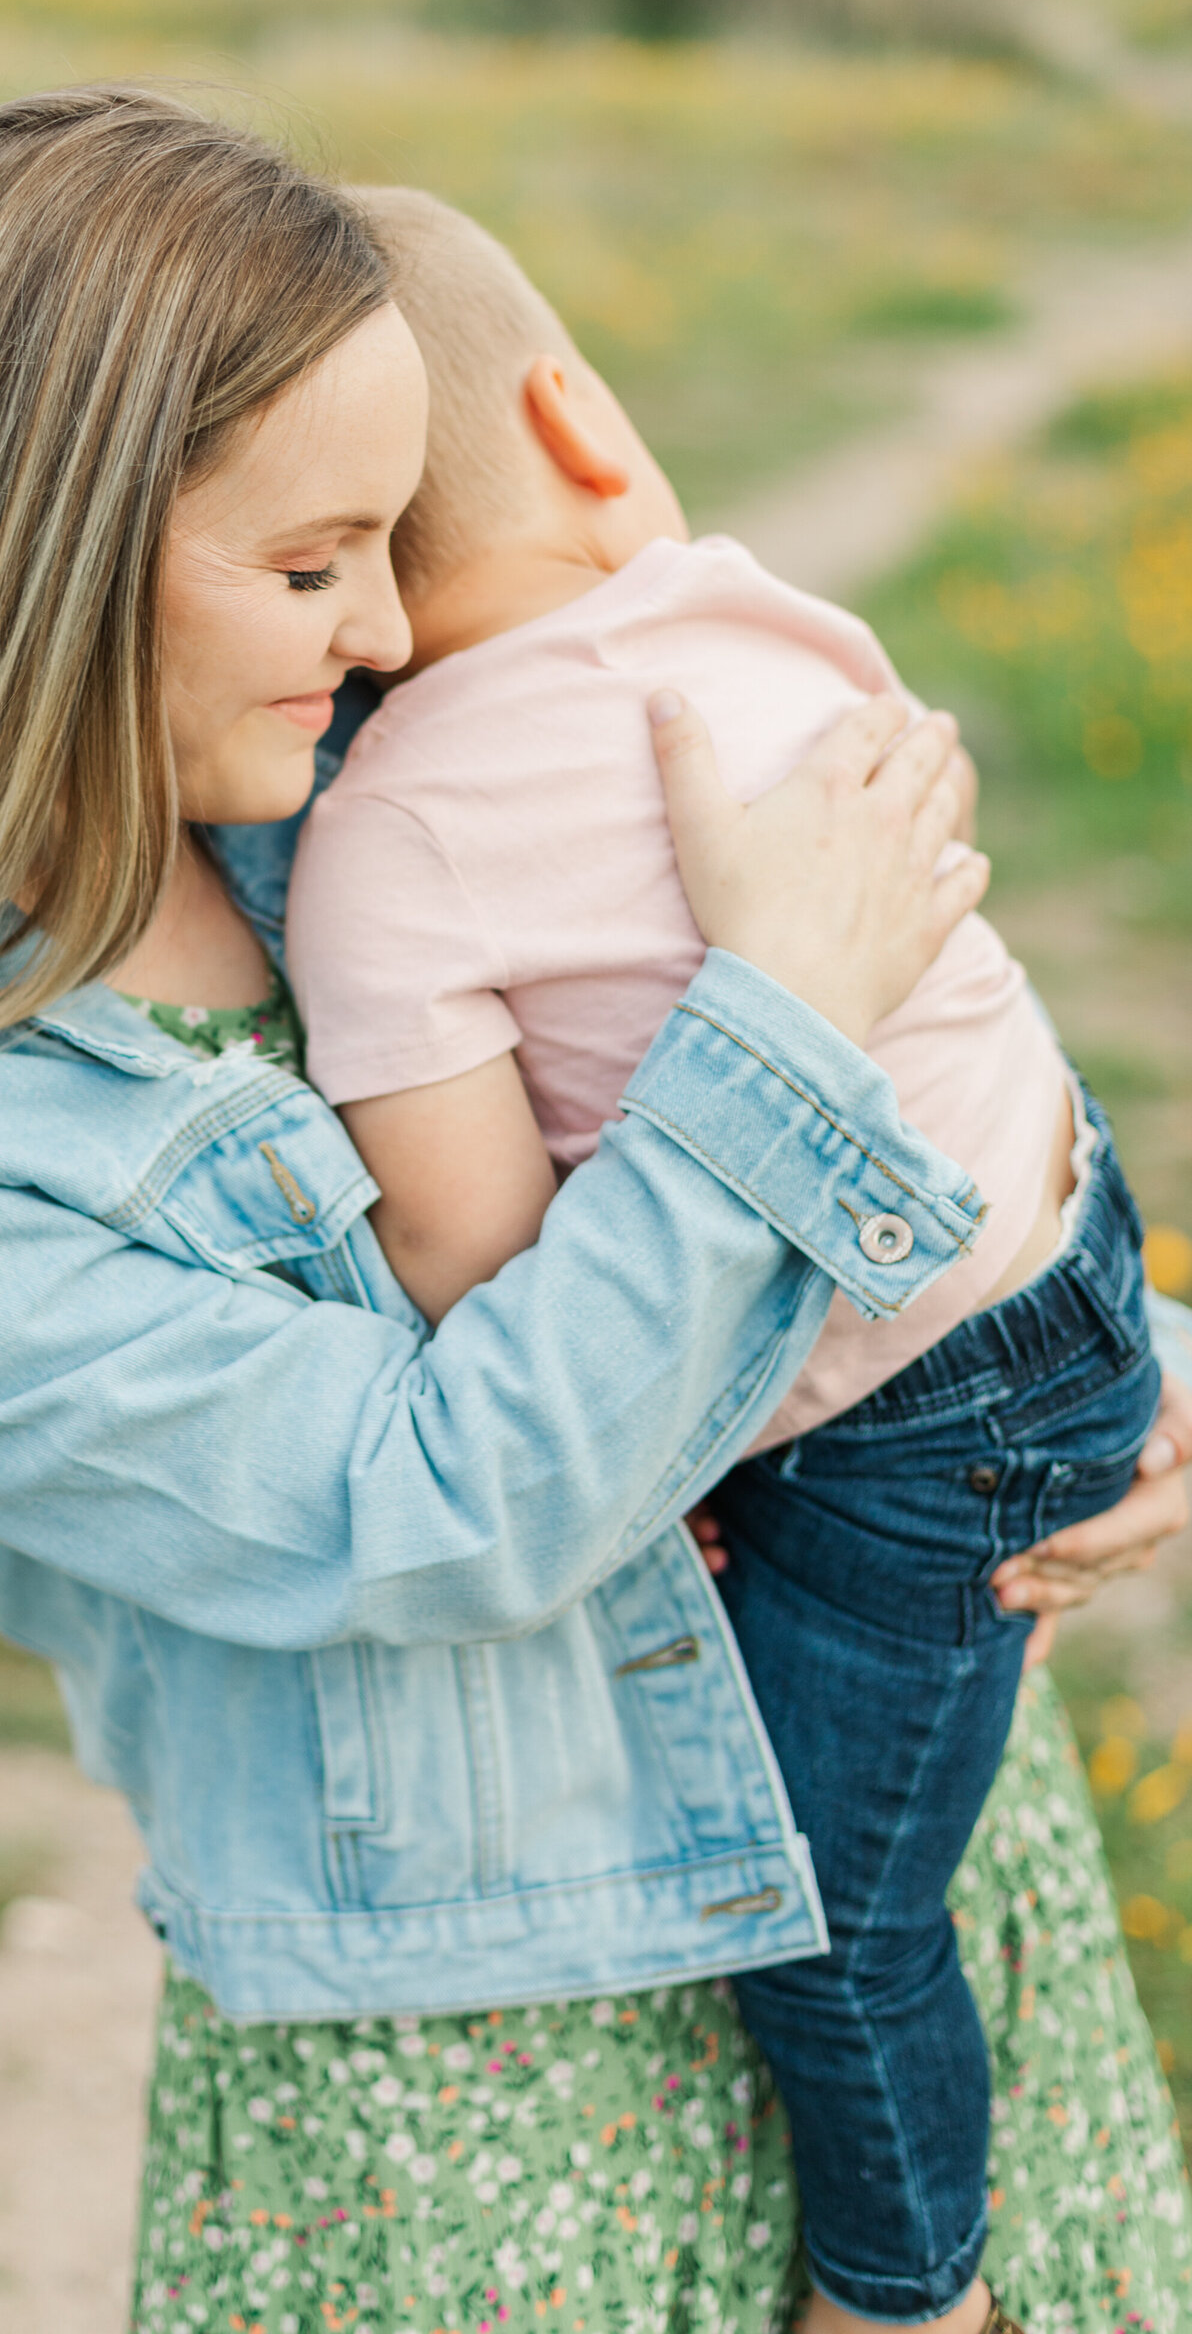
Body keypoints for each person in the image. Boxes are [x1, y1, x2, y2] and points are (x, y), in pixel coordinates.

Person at [0, 89, 1188, 2334]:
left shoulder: (358, 795)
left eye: (388, 547)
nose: (383, 630)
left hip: (897, 1895)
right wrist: (777, 1024)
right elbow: (434, 1500)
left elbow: (899, 1059)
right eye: (309, 559)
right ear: (44, 553)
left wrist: (1110, 1362)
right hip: (481, 2111)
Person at [284, 188, 1172, 2334]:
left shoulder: (382, 843)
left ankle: (897, 2296)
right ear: (579, 419)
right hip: (1071, 1244)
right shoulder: (757, 620)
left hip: (905, 1396)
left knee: (822, 1909)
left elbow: (476, 1259)